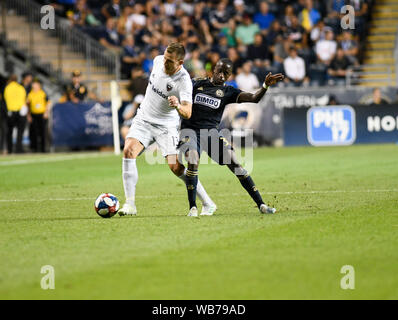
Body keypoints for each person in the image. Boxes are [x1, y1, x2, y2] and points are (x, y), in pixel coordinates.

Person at [176, 58, 284, 216]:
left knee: (236, 165)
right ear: (214, 69)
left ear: (229, 76)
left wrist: (265, 86)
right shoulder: (196, 83)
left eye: (226, 73)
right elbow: (179, 93)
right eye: (220, 71)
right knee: (193, 160)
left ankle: (261, 205)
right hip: (190, 132)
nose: (221, 75)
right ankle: (193, 207)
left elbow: (254, 99)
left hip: (211, 134)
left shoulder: (228, 92)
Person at [119, 42, 215, 216]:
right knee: (128, 151)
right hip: (143, 120)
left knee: (176, 168)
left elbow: (188, 112)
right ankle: (130, 204)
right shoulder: (157, 61)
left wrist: (177, 105)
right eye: (165, 57)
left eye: (170, 61)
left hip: (166, 126)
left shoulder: (184, 81)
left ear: (180, 63)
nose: (165, 62)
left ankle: (208, 202)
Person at [4, 75, 27, 154]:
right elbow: (24, 99)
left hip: (10, 112)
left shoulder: (7, 88)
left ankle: (10, 149)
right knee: (20, 132)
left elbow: (5, 99)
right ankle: (18, 149)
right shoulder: (21, 88)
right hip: (20, 112)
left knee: (9, 132)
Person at [26, 79, 50, 153]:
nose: (34, 86)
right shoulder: (30, 94)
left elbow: (48, 103)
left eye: (36, 84)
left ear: (39, 85)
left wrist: (46, 112)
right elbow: (28, 105)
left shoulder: (43, 93)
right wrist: (28, 115)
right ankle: (35, 148)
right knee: (34, 132)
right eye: (34, 84)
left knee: (43, 132)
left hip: (41, 114)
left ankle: (43, 149)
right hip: (34, 114)